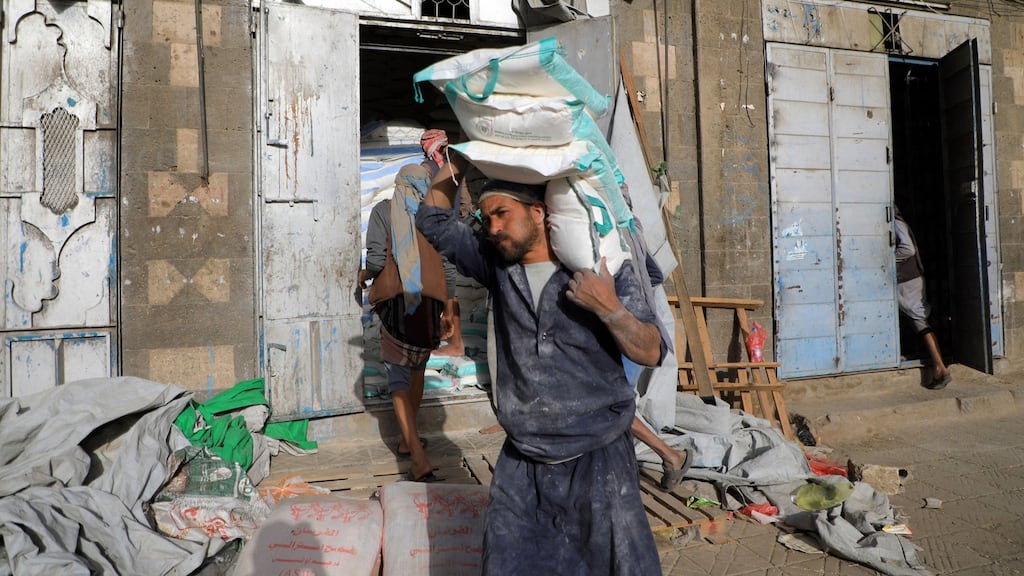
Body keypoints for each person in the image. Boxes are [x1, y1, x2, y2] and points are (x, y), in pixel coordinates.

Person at [417, 157, 667, 575]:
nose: (492, 227)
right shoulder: (498, 267)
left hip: (598, 455)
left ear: (538, 212)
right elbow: (433, 221)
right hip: (524, 457)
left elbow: (651, 351)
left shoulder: (604, 268)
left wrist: (609, 308)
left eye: (502, 214)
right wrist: (454, 166)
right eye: (486, 216)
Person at [356, 131, 457, 482]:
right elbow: (446, 263)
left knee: (398, 377)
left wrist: (362, 275)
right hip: (429, 307)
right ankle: (406, 441)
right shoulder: (432, 217)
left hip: (399, 307)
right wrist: (448, 306)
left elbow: (379, 260)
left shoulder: (384, 212)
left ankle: (417, 456)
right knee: (416, 370)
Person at [894, 206, 951, 390]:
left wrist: (887, 259)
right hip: (910, 278)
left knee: (919, 322)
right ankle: (939, 367)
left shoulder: (895, 221)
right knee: (918, 323)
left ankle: (940, 368)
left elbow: (907, 249)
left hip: (907, 279)